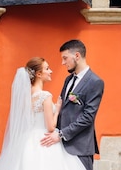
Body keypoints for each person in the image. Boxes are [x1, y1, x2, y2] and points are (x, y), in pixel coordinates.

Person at [0, 57, 86, 170]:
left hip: (27, 141)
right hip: (44, 140)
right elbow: (51, 127)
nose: (50, 71)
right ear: (38, 74)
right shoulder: (45, 96)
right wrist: (57, 110)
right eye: (47, 68)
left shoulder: (25, 96)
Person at [40, 39, 104, 170]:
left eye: (65, 58)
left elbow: (88, 117)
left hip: (80, 148)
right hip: (60, 147)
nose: (63, 63)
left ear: (77, 56)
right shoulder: (68, 79)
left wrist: (61, 134)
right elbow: (63, 109)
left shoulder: (95, 82)